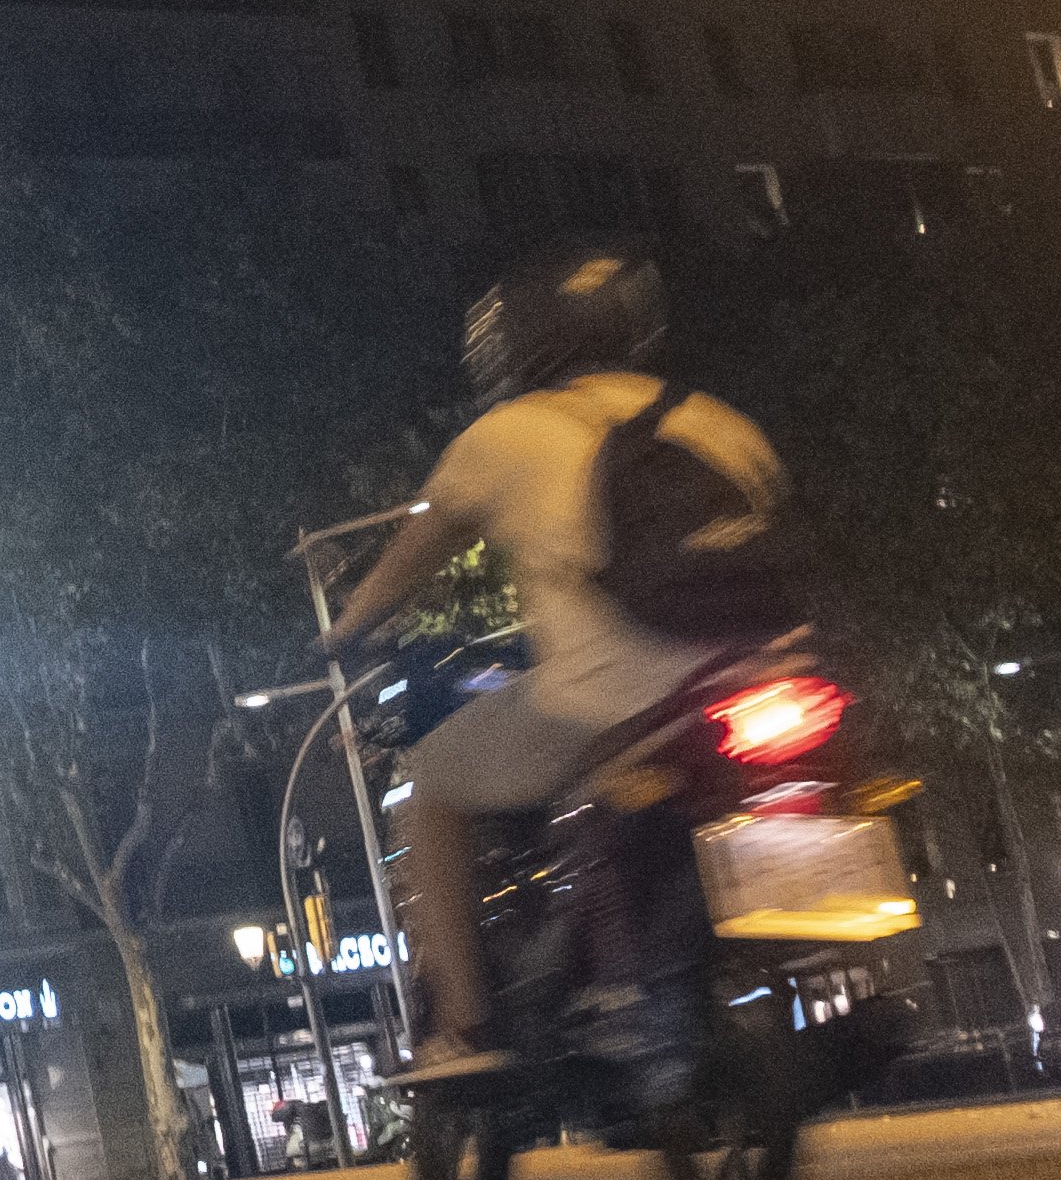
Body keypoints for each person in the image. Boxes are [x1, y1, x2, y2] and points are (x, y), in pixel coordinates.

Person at [313, 247, 794, 1082]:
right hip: (758, 683)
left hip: (611, 700)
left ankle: (465, 1027)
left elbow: (410, 559)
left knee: (429, 787)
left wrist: (342, 630)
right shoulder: (720, 421)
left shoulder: (506, 434)